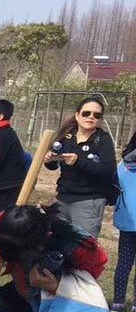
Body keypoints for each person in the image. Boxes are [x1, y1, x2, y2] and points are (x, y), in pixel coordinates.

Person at [46, 95, 118, 238]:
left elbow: (108, 170)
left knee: (83, 246)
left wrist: (78, 162)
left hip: (89, 201)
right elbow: (54, 165)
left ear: (100, 119)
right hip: (63, 199)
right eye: (86, 113)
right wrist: (50, 160)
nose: (91, 117)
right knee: (58, 243)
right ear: (77, 115)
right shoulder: (66, 137)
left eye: (96, 115)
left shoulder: (102, 139)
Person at [112, 130, 136, 312]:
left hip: (127, 221)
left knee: (124, 262)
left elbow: (115, 186)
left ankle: (118, 302)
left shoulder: (123, 164)